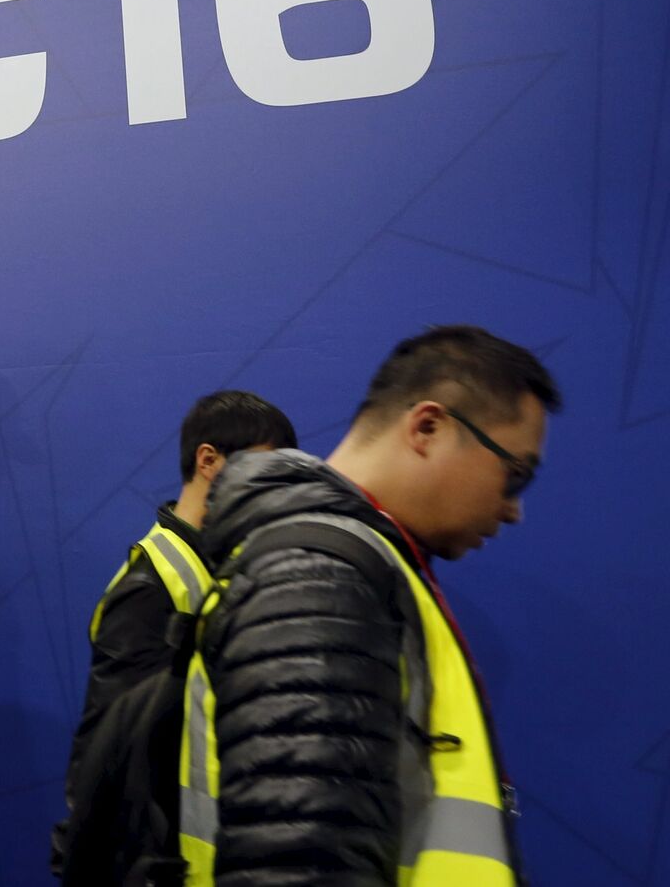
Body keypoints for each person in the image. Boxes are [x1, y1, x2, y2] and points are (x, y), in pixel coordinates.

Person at [180, 326, 560, 884]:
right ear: (428, 428)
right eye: (515, 475)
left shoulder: (353, 564)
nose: (513, 510)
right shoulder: (319, 573)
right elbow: (298, 864)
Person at [60, 391, 296, 796]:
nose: (276, 493)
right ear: (208, 461)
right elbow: (108, 750)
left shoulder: (228, 564)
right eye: (265, 472)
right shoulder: (150, 587)